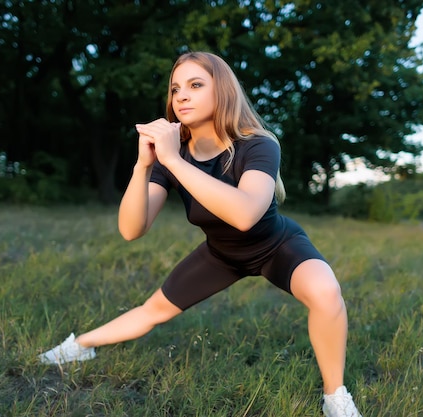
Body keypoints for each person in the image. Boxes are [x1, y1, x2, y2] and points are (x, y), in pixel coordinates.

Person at [38, 51, 363, 417]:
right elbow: (131, 230)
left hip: (275, 245)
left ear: (222, 92)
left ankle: (335, 395)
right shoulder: (170, 155)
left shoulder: (257, 145)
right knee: (153, 311)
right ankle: (80, 345)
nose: (182, 96)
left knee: (326, 292)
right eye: (176, 89)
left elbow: (244, 215)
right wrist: (145, 165)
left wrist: (173, 160)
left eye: (195, 85)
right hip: (221, 255)